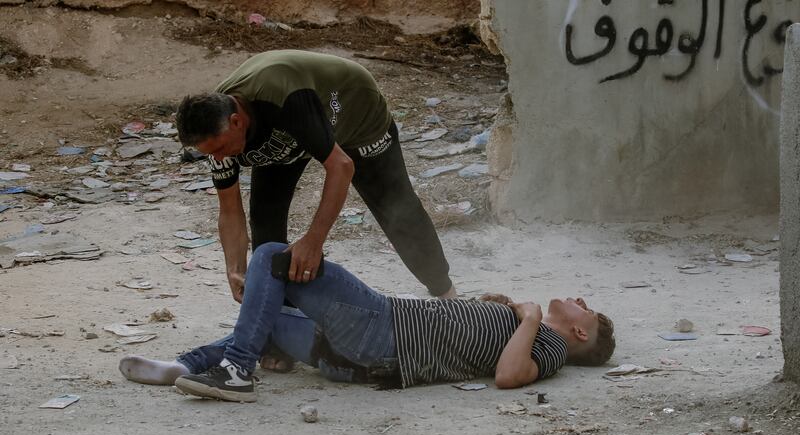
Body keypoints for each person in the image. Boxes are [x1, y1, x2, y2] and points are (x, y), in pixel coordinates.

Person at [119, 242, 616, 402]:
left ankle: (236, 370)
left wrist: (527, 317)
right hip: (362, 360)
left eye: (584, 307)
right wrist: (498, 308)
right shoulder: (528, 332)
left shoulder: (549, 349)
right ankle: (180, 366)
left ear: (579, 333)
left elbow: (509, 377)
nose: (576, 299)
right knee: (268, 316)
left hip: (385, 328)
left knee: (274, 255)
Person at [175, 50, 456, 309]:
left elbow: (341, 166)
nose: (221, 158)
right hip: (287, 134)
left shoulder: (283, 99)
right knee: (265, 219)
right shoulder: (216, 133)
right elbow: (230, 209)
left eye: (222, 149)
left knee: (397, 209)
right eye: (212, 154)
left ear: (237, 121)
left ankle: (448, 296)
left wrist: (313, 241)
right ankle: (279, 320)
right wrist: (235, 269)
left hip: (354, 113)